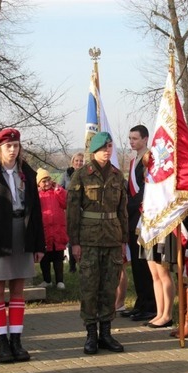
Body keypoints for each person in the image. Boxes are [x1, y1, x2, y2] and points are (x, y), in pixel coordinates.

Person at [0, 128, 45, 363]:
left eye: (16, 146)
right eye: (8, 146)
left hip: (22, 234)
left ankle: (16, 340)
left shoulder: (28, 173)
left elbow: (35, 213)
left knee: (18, 289)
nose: (13, 150)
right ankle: (1, 343)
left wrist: (39, 245)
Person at [66, 131, 128, 355]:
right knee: (90, 287)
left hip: (112, 238)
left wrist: (124, 240)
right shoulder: (81, 175)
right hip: (89, 239)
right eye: (103, 148)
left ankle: (106, 333)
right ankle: (91, 334)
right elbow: (72, 211)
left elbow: (123, 211)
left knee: (109, 288)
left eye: (110, 147)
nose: (107, 151)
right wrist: (74, 242)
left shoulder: (116, 175)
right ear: (94, 151)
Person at [120, 125, 157, 322]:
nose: (131, 142)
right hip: (132, 217)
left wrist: (129, 206)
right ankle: (141, 302)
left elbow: (147, 189)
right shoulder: (134, 160)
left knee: (144, 263)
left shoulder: (149, 159)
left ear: (145, 139)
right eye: (130, 138)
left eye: (135, 138)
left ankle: (150, 305)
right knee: (135, 262)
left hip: (143, 216)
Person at [36, 168, 68, 290]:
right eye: (44, 181)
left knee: (58, 258)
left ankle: (60, 281)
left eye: (48, 180)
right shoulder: (37, 195)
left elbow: (65, 203)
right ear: (39, 183)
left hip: (58, 230)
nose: (47, 183)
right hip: (44, 231)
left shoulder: (57, 192)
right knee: (45, 258)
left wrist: (59, 190)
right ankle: (47, 279)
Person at [60, 152, 84, 273]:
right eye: (77, 161)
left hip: (83, 210)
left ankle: (83, 264)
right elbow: (60, 189)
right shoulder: (66, 175)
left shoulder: (86, 175)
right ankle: (72, 266)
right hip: (70, 209)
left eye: (81, 161)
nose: (79, 163)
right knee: (72, 237)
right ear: (73, 162)